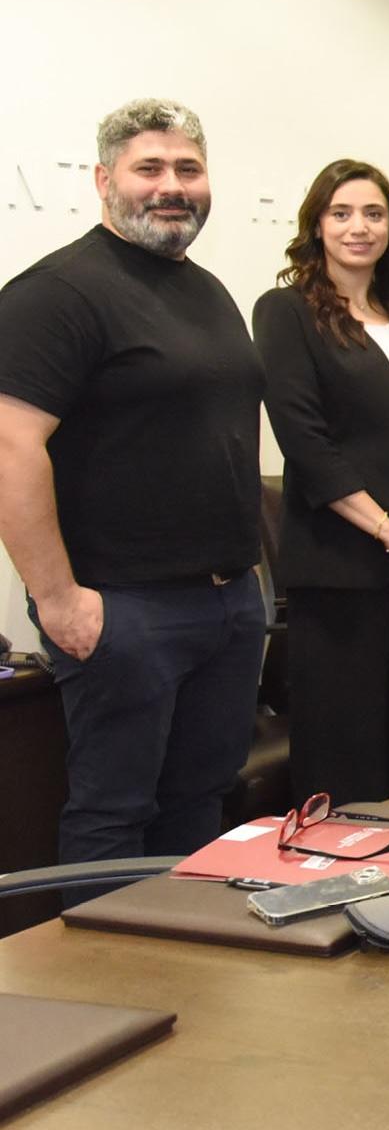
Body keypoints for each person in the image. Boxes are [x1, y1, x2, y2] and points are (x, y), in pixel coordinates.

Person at [0, 99, 262, 874]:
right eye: (149, 168)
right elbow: (12, 446)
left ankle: (188, 977)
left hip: (227, 602)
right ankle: (109, 994)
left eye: (188, 168)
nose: (170, 185)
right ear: (104, 178)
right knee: (114, 813)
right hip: (125, 612)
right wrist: (56, 600)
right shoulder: (58, 294)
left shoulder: (206, 288)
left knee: (201, 801)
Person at [254, 159, 389, 803]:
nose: (358, 227)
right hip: (341, 559)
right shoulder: (285, 311)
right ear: (316, 225)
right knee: (345, 743)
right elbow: (306, 443)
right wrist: (388, 530)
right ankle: (342, 876)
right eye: (342, 213)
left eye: (373, 214)